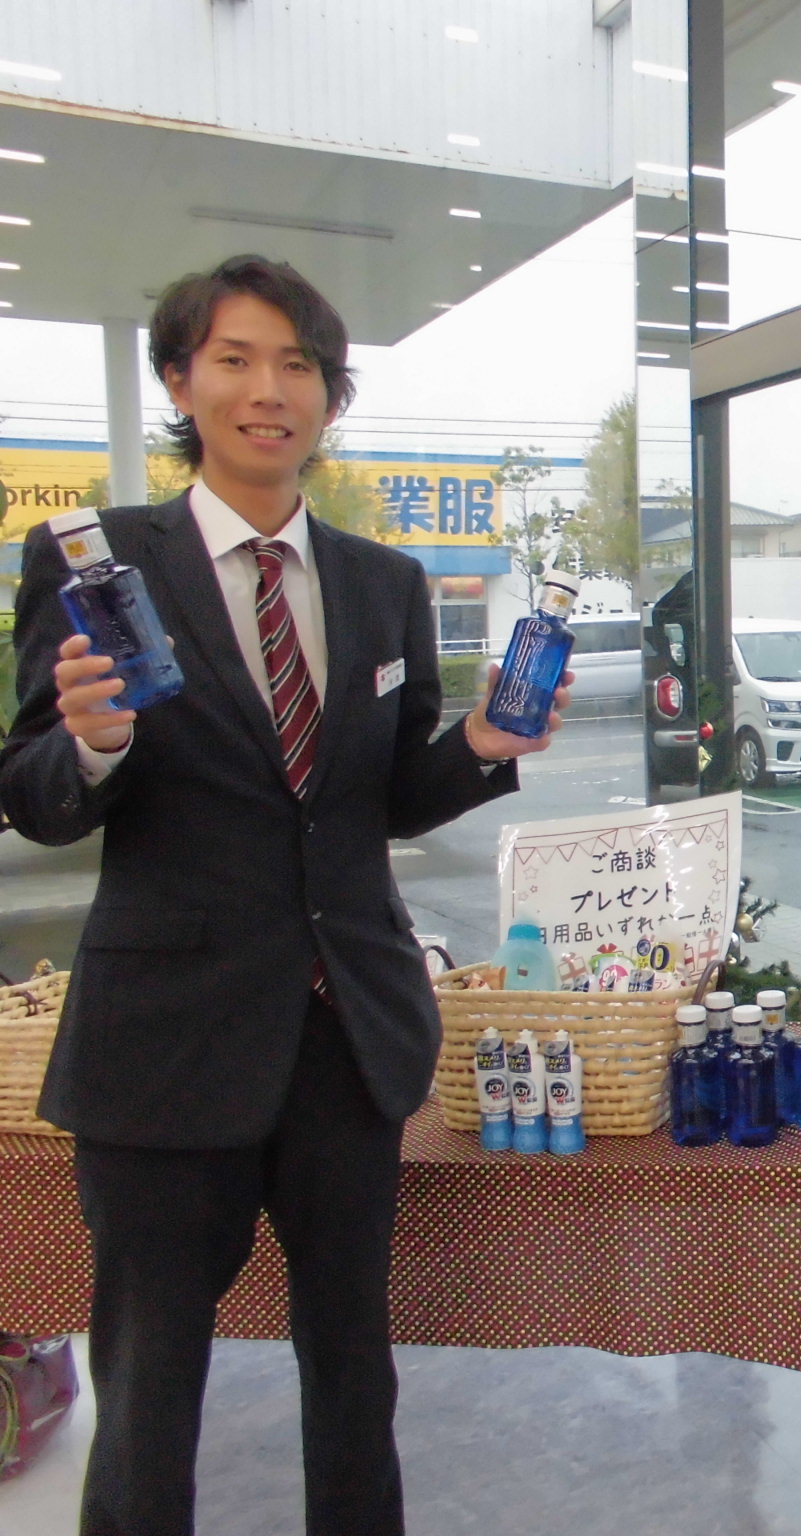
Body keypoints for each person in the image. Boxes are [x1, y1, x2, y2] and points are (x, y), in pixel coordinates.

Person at [0, 254, 572, 1536]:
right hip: (165, 1046)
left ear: (329, 394)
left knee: (354, 1371)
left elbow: (385, 800)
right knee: (149, 1388)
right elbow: (33, 793)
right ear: (179, 382)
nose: (270, 390)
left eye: (298, 365)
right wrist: (91, 742)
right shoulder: (97, 561)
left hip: (344, 1036)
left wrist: (480, 747)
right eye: (236, 360)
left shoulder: (383, 583)